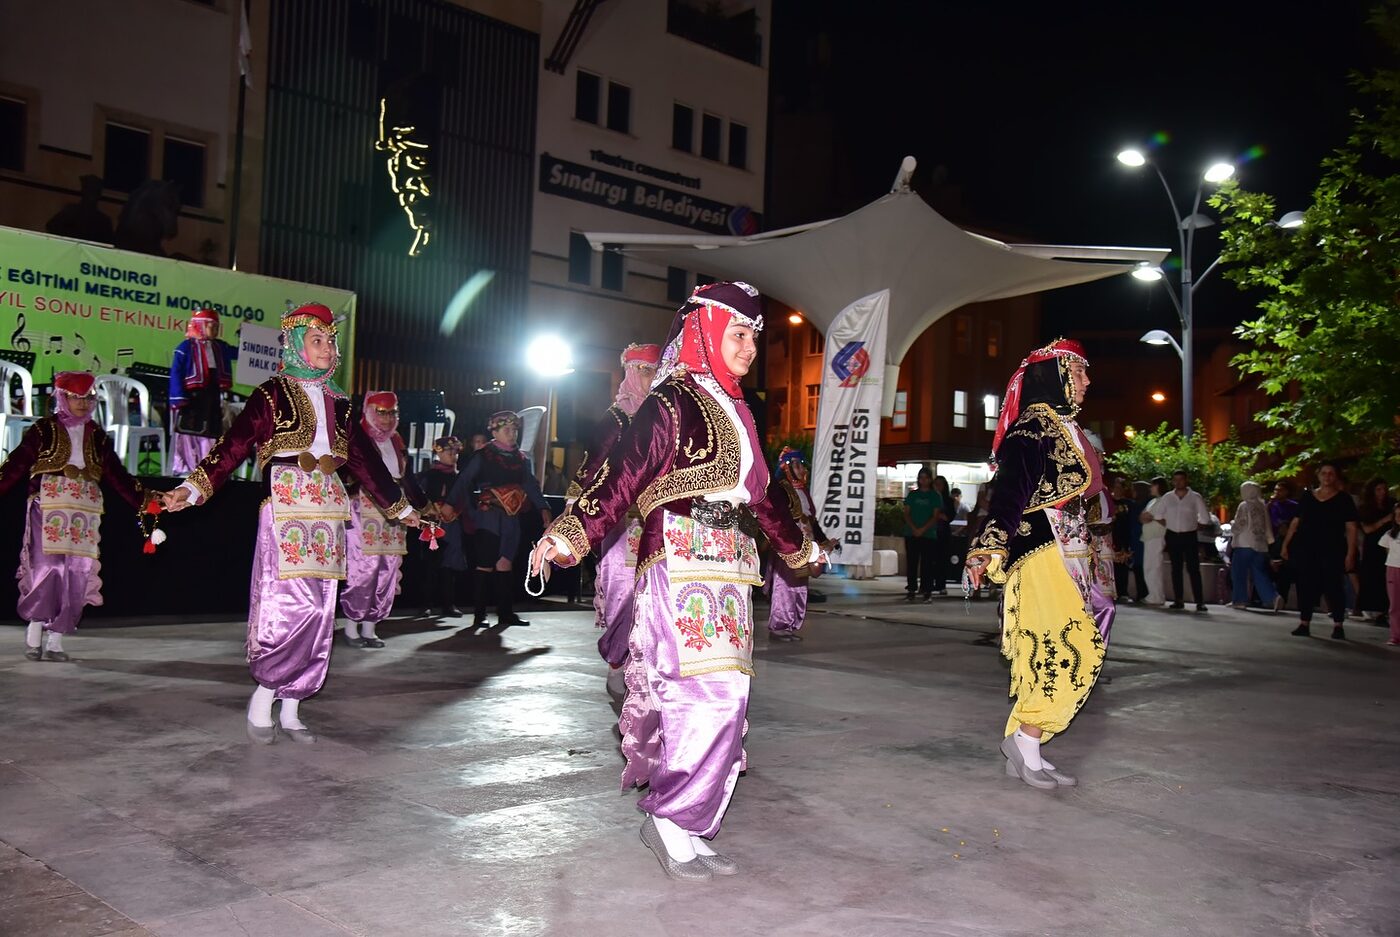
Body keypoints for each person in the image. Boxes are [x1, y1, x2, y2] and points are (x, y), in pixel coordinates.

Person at [528, 281, 821, 881]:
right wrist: (568, 534)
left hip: (732, 573)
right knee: (699, 698)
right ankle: (669, 821)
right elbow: (621, 474)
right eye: (738, 334)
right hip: (681, 563)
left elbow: (762, 499)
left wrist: (801, 549)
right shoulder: (670, 404)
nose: (749, 348)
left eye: (754, 338)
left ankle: (688, 820)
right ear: (707, 332)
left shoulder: (738, 410)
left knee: (731, 702)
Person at [162, 303, 420, 743]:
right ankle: (265, 693)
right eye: (317, 341)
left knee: (321, 609)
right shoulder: (271, 394)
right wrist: (194, 487)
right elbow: (233, 445)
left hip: (328, 509)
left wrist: (403, 508)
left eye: (330, 341)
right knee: (288, 605)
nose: (326, 349)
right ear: (298, 344)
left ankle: (295, 702)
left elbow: (367, 464)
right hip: (285, 505)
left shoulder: (341, 402)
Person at [966, 338, 1105, 792]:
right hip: (1041, 552)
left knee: (1055, 649)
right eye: (1079, 372)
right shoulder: (1033, 427)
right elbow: (1009, 494)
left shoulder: (1064, 427)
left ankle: (1028, 747)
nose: (1087, 381)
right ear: (1057, 375)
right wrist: (988, 547)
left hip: (1070, 551)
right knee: (1069, 648)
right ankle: (1026, 742)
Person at [0, 371, 149, 661]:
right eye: (75, 397)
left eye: (88, 397)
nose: (82, 403)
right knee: (48, 568)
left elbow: (118, 476)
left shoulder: (98, 437)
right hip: (49, 504)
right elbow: (16, 463)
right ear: (62, 397)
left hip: (85, 509)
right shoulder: (44, 430)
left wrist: (146, 500)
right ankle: (34, 629)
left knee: (76, 573)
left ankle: (56, 639)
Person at [571, 343, 662, 694]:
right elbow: (590, 468)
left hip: (657, 521)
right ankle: (616, 662)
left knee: (655, 592)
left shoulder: (662, 417)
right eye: (644, 371)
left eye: (656, 370)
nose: (652, 378)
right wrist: (573, 516)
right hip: (621, 522)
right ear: (629, 373)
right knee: (623, 592)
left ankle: (648, 664)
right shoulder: (616, 419)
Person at [340, 391, 429, 648]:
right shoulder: (358, 438)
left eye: (392, 412)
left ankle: (370, 627)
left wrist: (423, 505)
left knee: (388, 569)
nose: (387, 418)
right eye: (381, 412)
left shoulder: (397, 440)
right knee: (364, 568)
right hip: (363, 509)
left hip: (394, 511)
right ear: (368, 411)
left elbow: (406, 477)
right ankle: (352, 627)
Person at [447, 411, 550, 629]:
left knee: (505, 563)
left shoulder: (521, 459)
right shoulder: (484, 455)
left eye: (514, 430)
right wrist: (451, 503)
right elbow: (464, 479)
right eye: (507, 430)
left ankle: (505, 614)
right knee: (485, 564)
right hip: (489, 516)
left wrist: (544, 508)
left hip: (511, 518)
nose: (512, 434)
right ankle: (479, 615)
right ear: (494, 432)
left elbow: (530, 484)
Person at [765, 447, 837, 640]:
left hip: (806, 547)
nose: (802, 470)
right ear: (787, 467)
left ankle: (790, 625)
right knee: (785, 586)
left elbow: (811, 521)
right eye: (798, 465)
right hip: (788, 546)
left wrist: (824, 542)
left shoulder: (802, 491)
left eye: (802, 465)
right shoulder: (780, 489)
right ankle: (779, 625)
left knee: (799, 585)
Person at [1282, 463, 1359, 640]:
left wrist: (1351, 552)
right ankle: (1304, 622)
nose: (1327, 477)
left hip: (1333, 549)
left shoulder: (1343, 499)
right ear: (1318, 475)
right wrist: (1286, 544)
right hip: (1307, 548)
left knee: (1333, 585)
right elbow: (1296, 522)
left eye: (1331, 473)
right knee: (1306, 584)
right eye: (1324, 473)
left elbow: (1351, 527)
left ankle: (1338, 624)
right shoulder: (1308, 497)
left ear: (1336, 476)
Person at [168, 307, 237, 474]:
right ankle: (187, 468)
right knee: (190, 430)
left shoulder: (220, 347)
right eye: (210, 326)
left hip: (212, 393)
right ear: (199, 325)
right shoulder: (186, 347)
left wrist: (247, 338)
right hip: (192, 396)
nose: (214, 330)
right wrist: (178, 397)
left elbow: (241, 353)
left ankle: (208, 468)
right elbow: (176, 372)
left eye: (216, 327)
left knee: (212, 430)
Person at [416, 435, 466, 617]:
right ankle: (426, 604)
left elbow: (464, 499)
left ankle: (448, 604)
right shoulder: (428, 476)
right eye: (449, 451)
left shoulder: (460, 478)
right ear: (439, 452)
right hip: (433, 523)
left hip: (452, 524)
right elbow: (420, 498)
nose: (453, 455)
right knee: (430, 564)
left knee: (450, 566)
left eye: (455, 452)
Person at [1151, 469, 1212, 611]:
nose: (1178, 482)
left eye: (1181, 479)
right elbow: (1159, 515)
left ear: (1186, 480)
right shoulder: (1167, 497)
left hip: (1189, 535)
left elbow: (1205, 517)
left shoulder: (1195, 497)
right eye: (1176, 480)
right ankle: (1179, 600)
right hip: (1173, 535)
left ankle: (1200, 601)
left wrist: (1197, 526)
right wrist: (1170, 525)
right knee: (1176, 569)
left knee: (1193, 568)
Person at [1229, 482, 1279, 610]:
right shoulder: (1262, 506)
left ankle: (1240, 600)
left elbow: (1240, 524)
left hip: (1244, 544)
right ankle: (1272, 597)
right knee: (1259, 572)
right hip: (1260, 545)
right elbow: (1268, 526)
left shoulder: (1244, 505)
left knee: (1239, 572)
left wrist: (1232, 526)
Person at [901, 467, 942, 602]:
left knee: (927, 564)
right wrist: (914, 528)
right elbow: (906, 513)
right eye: (921, 478)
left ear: (930, 479)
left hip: (928, 535)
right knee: (912, 563)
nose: (923, 480)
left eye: (925, 478)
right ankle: (911, 590)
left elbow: (935, 516)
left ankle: (927, 591)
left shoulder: (935, 496)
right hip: (911, 533)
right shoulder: (913, 495)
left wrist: (923, 529)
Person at [1356, 478, 1394, 622]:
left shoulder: (1390, 503)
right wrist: (1385, 520)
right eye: (1378, 490)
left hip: (1390, 544)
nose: (1382, 493)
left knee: (1387, 576)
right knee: (1372, 576)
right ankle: (1372, 610)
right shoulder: (1365, 508)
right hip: (1373, 545)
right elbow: (1367, 529)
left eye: (1384, 489)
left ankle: (1386, 610)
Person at [1267, 479, 1299, 611]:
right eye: (1275, 490)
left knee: (1284, 570)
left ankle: (1282, 598)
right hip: (1272, 539)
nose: (1277, 493)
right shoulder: (1270, 505)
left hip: (1287, 540)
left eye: (1280, 490)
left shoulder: (1293, 505)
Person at [1139, 476, 1168, 606]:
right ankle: (1154, 594)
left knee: (1154, 566)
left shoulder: (1164, 501)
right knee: (1149, 566)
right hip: (1149, 536)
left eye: (1153, 485)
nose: (1151, 488)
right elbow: (1143, 516)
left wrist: (1150, 517)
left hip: (1156, 536)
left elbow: (1155, 517)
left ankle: (1156, 596)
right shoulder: (1152, 502)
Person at [1376, 503, 1400, 645]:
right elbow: (1386, 550)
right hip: (1393, 569)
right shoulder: (1391, 534)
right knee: (1395, 604)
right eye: (1397, 515)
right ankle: (1396, 635)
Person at [930, 474, 953, 594]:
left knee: (942, 559)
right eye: (936, 484)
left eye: (940, 484)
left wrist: (941, 516)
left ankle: (941, 584)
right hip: (931, 531)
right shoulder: (930, 497)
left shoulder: (948, 500)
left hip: (943, 532)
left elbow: (949, 516)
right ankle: (930, 583)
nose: (938, 487)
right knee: (930, 559)